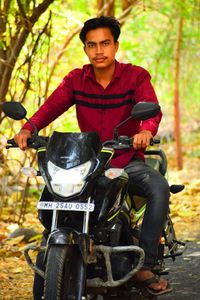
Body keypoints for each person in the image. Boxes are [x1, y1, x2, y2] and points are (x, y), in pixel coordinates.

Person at [14, 16, 171, 298]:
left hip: (125, 160)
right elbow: (50, 107)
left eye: (105, 44)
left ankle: (146, 264)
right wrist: (29, 128)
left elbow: (153, 110)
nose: (99, 50)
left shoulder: (136, 76)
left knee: (158, 187)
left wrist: (146, 130)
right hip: (89, 164)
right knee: (55, 191)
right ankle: (69, 249)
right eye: (92, 45)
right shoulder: (76, 79)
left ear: (116, 46)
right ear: (86, 49)